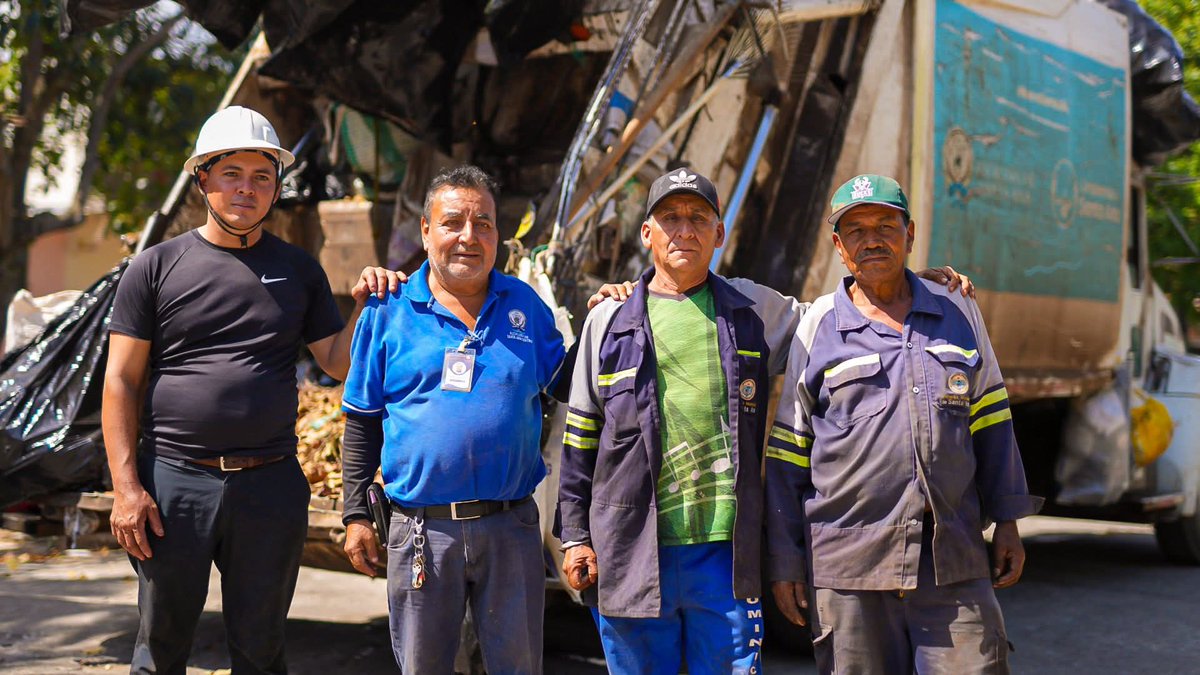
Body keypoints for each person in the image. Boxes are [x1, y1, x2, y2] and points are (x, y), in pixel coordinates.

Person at [555, 168, 973, 674]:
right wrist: (575, 535)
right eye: (669, 219)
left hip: (726, 557)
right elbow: (580, 437)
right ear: (647, 234)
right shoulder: (609, 321)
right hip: (631, 546)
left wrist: (912, 284)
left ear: (719, 234)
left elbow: (843, 315)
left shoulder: (753, 308)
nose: (684, 230)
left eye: (698, 218)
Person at [102, 105, 400, 675]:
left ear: (277, 187)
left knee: (261, 651)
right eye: (232, 174)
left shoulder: (299, 269)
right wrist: (126, 488)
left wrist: (366, 306)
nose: (247, 188)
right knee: (159, 648)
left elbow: (337, 365)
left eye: (262, 176)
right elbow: (121, 380)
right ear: (203, 180)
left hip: (270, 484)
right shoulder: (156, 267)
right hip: (174, 484)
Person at [766, 174, 1044, 674]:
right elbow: (788, 455)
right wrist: (785, 560)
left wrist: (1008, 522)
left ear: (910, 235)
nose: (871, 239)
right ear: (838, 246)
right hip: (848, 565)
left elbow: (993, 424)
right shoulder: (817, 325)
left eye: (885, 225)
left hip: (951, 560)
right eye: (855, 230)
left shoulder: (958, 309)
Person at [339, 165, 566, 674]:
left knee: (519, 666)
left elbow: (571, 384)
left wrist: (608, 315)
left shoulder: (524, 306)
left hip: (510, 527)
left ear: (498, 235)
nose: (469, 237)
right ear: (426, 231)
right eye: (453, 222)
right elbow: (360, 421)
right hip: (422, 531)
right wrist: (355, 514)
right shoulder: (388, 307)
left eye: (483, 224)